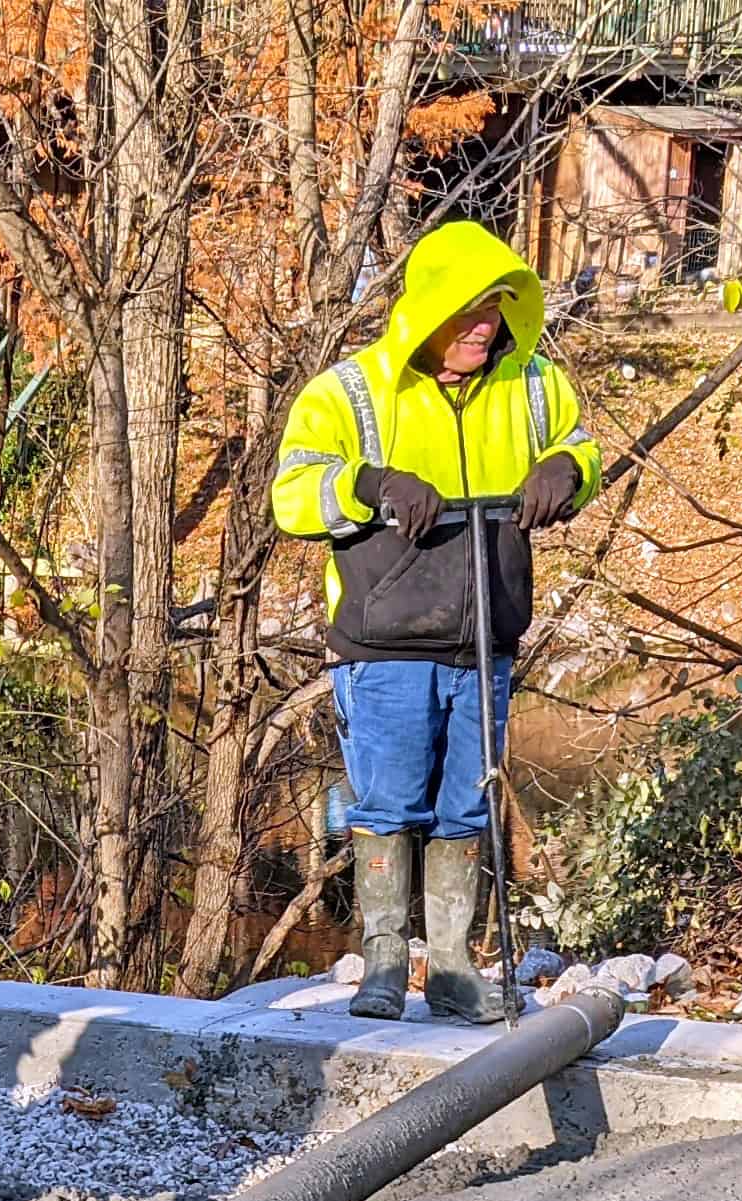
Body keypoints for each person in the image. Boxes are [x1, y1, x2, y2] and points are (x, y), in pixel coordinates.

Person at [271, 219, 598, 1023]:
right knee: (384, 804)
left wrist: (568, 471)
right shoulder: (350, 392)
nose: (483, 325)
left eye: (493, 309)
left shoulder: (533, 386)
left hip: (485, 635)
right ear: (426, 315)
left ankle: (451, 968)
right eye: (466, 312)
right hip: (382, 646)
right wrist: (372, 485)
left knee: (466, 806)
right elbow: (290, 496)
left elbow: (579, 449)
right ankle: (385, 964)